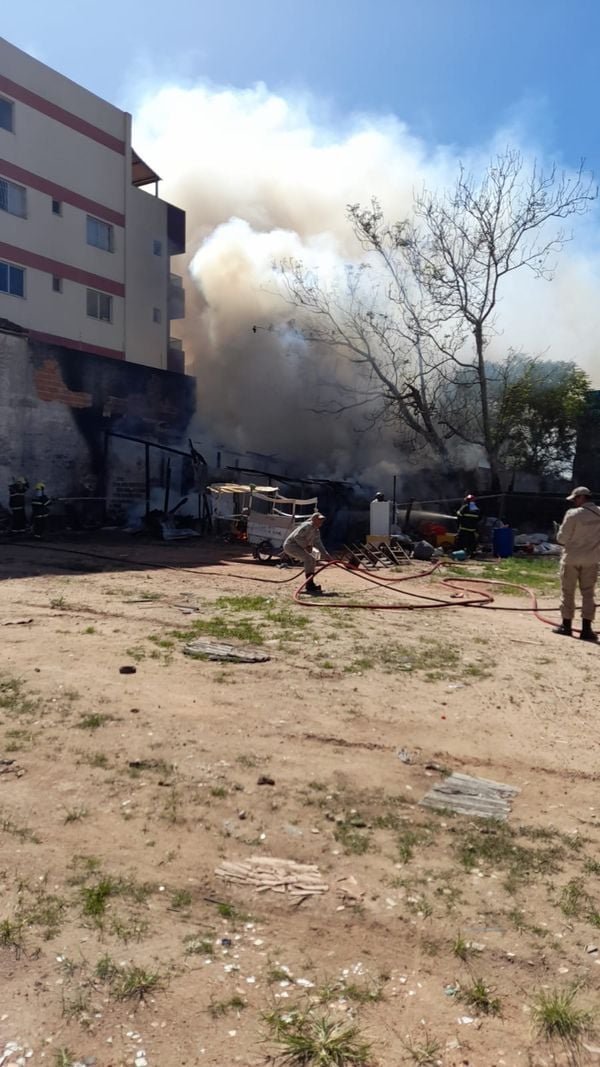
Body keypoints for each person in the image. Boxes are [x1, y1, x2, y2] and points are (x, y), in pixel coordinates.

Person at [554, 486, 600, 642]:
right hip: (592, 559)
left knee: (568, 591)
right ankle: (587, 630)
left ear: (581, 498)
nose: (574, 502)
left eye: (575, 499)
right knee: (588, 593)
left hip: (572, 558)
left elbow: (561, 538)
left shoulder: (572, 515)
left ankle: (566, 626)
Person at [283, 512, 330, 595]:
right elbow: (297, 536)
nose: (321, 522)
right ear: (314, 520)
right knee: (308, 557)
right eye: (319, 520)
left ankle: (310, 583)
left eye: (322, 520)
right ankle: (309, 584)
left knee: (316, 556)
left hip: (303, 547)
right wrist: (306, 546)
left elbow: (318, 543)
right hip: (291, 546)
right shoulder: (307, 526)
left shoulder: (316, 531)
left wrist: (325, 554)